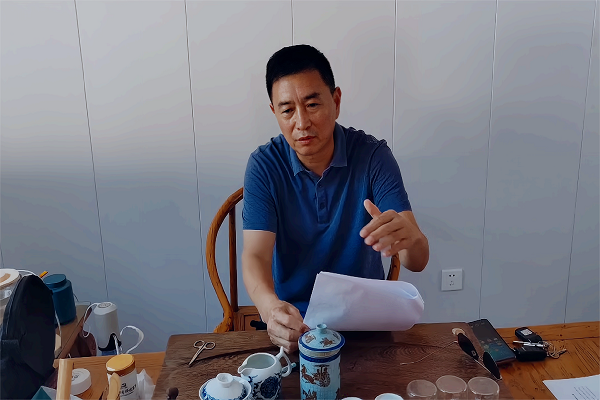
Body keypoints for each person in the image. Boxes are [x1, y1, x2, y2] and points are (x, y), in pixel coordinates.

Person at [242, 44, 429, 353]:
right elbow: (255, 256)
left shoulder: (373, 157)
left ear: (336, 101)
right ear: (274, 112)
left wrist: (412, 240)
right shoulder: (265, 165)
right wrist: (270, 309)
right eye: (287, 110)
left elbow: (417, 261)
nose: (302, 122)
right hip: (297, 325)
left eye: (312, 104)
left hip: (365, 323)